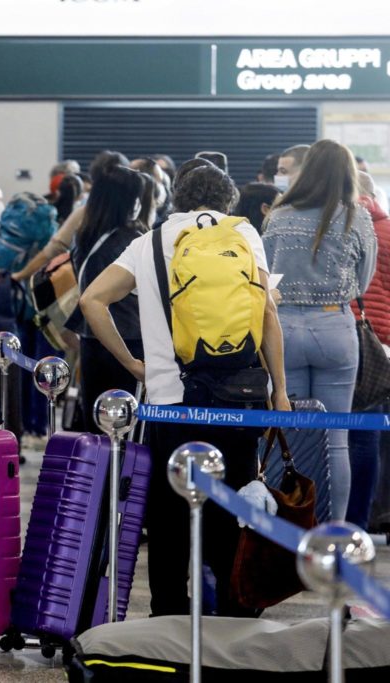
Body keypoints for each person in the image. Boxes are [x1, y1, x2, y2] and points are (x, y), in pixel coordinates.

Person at [81, 163, 290, 616]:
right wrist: (280, 392)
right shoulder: (244, 235)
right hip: (239, 399)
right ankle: (236, 611)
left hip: (170, 402)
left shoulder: (148, 243)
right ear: (227, 200)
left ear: (176, 198)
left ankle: (170, 613)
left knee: (169, 514)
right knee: (231, 507)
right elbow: (268, 315)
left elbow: (91, 301)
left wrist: (132, 363)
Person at [263, 139, 376, 522]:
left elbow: (265, 277)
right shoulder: (355, 216)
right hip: (334, 329)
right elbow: (362, 282)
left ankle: (290, 534)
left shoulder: (278, 215)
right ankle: (334, 535)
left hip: (285, 330)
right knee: (336, 442)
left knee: (290, 438)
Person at [65, 167, 146, 432]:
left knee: (97, 423)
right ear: (126, 200)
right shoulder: (131, 239)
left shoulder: (84, 235)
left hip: (92, 339)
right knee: (127, 426)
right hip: (129, 341)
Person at [11, 150, 129, 282]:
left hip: (90, 286)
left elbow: (54, 249)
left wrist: (20, 275)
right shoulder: (139, 213)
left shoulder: (87, 212)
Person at [347, 171, 390, 529]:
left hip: (347, 334)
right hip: (382, 344)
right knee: (369, 435)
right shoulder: (387, 228)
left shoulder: (339, 226)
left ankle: (328, 518)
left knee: (331, 435)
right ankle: (360, 523)